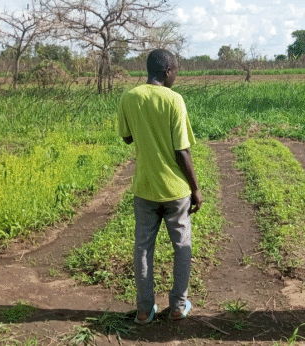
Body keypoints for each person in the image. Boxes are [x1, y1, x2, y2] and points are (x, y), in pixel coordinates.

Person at [117, 48, 202, 324]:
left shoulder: (129, 97)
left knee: (142, 248)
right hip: (176, 190)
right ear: (167, 71)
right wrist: (196, 190)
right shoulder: (174, 100)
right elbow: (182, 151)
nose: (176, 75)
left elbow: (127, 138)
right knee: (181, 246)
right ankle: (177, 306)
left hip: (145, 188)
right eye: (175, 70)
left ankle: (144, 310)